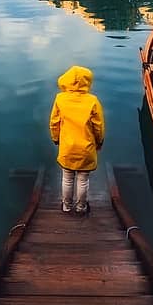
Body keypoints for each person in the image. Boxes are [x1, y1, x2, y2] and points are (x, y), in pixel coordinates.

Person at [49, 65, 105, 215]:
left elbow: (54, 123)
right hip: (86, 149)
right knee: (83, 180)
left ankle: (66, 206)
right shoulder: (92, 101)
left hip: (67, 147)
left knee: (67, 178)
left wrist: (55, 138)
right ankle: (81, 208)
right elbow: (98, 126)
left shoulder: (60, 99)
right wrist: (99, 142)